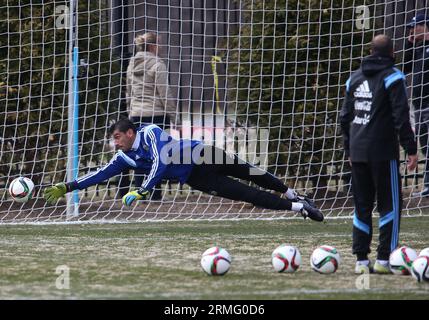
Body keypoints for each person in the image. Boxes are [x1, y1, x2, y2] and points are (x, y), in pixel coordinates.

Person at [43, 118, 324, 222]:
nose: (113, 143)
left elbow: (160, 162)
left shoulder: (151, 131)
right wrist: (69, 186)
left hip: (202, 153)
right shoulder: (123, 157)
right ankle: (299, 209)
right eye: (112, 139)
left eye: (117, 137)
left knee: (250, 171)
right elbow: (100, 174)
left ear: (129, 133)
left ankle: (293, 193)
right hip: (194, 176)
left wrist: (142, 190)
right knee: (243, 193)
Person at [340, 35, 418, 274]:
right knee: (390, 204)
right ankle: (385, 260)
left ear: (371, 51)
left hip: (359, 151)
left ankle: (361, 261)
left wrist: (349, 149)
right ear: (392, 53)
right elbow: (400, 116)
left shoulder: (354, 78)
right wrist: (411, 148)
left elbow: (344, 117)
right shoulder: (394, 76)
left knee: (362, 205)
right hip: (383, 152)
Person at [122, 32, 180, 200]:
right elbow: (165, 94)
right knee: (157, 155)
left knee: (140, 154)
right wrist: (174, 117)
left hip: (137, 115)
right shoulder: (158, 64)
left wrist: (130, 112)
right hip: (156, 115)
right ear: (153, 46)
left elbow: (129, 91)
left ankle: (138, 192)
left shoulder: (131, 64)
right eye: (159, 45)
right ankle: (154, 193)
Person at [403, 14, 429, 197]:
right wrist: (411, 43)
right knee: (425, 146)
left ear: (425, 26)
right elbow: (405, 66)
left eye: (415, 26)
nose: (411, 30)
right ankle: (428, 185)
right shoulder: (418, 48)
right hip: (419, 105)